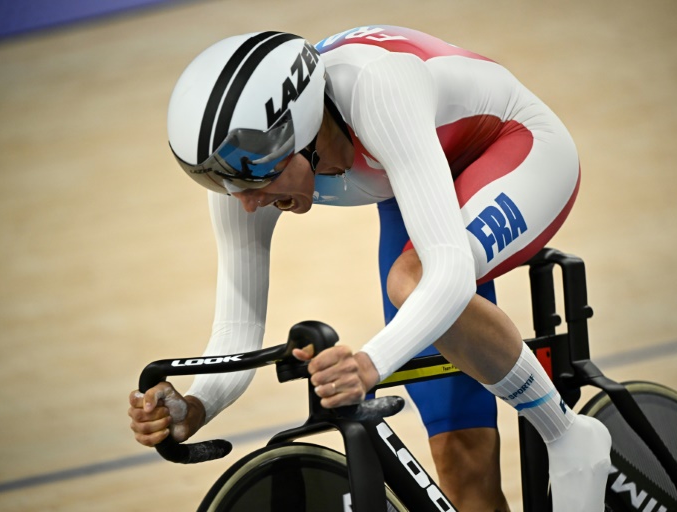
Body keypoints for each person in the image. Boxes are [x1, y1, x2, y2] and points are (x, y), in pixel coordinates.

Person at [127, 26, 611, 512]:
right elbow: (237, 327)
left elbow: (447, 275)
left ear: (299, 130)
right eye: (223, 185)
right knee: (462, 464)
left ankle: (567, 433)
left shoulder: (376, 90)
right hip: (411, 183)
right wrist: (196, 406)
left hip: (513, 146)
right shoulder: (243, 174)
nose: (247, 204)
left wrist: (367, 365)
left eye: (254, 179)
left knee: (415, 281)